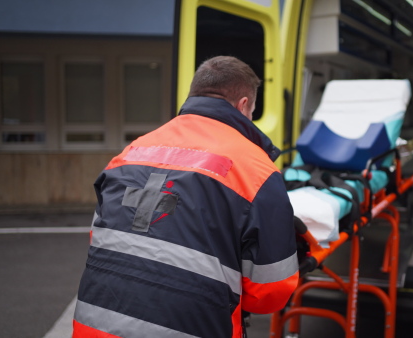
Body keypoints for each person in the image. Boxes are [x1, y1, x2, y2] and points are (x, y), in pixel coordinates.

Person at [73, 56, 299, 338]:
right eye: (252, 111)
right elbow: (270, 294)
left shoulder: (129, 154)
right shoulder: (257, 170)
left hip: (93, 329)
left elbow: (102, 241)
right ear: (243, 105)